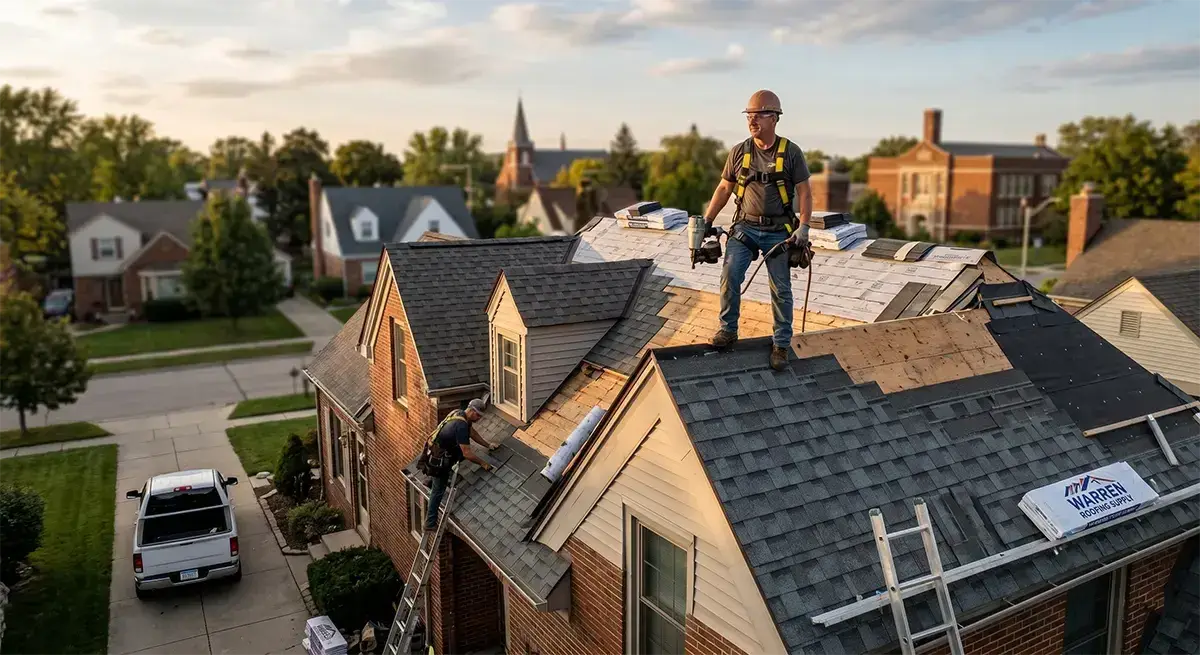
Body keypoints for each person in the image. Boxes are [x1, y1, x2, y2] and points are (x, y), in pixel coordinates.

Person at [700, 89, 813, 371]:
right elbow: (725, 187)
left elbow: (805, 191)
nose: (753, 121)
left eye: (759, 114)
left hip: (779, 231)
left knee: (781, 289)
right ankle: (728, 329)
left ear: (774, 118)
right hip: (746, 228)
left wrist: (804, 227)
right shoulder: (739, 152)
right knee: (730, 274)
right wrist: (707, 220)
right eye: (750, 115)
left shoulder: (791, 153)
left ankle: (781, 344)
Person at [424, 398, 497, 532]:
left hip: (435, 452)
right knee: (438, 491)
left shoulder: (459, 413)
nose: (479, 419)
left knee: (458, 451)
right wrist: (483, 463)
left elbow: (472, 433)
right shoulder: (461, 425)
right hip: (439, 461)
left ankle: (430, 478)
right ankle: (430, 523)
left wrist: (488, 445)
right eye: (479, 416)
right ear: (472, 411)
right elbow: (467, 454)